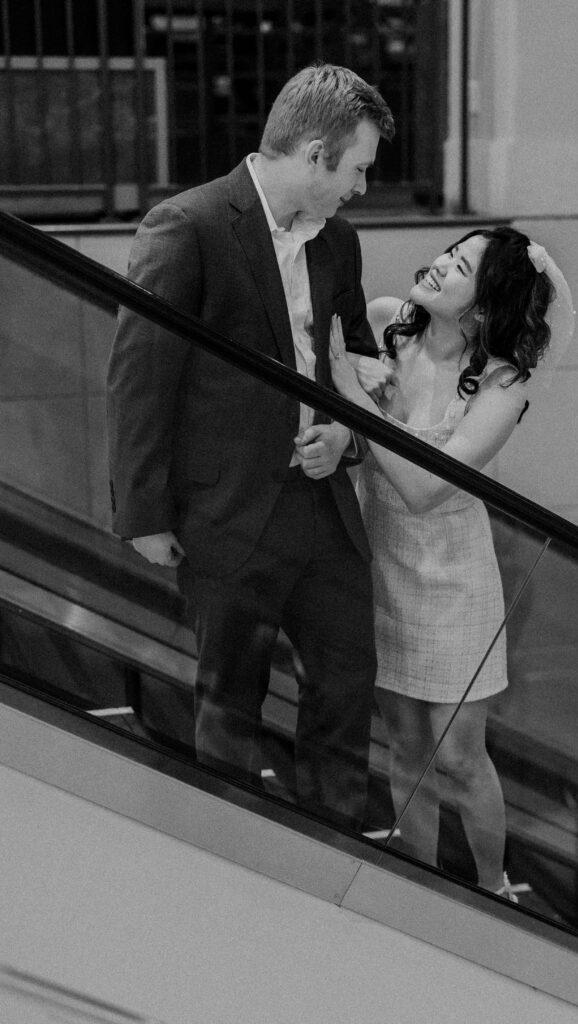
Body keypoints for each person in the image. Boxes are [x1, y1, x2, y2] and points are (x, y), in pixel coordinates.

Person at [107, 64, 395, 831]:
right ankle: (232, 861)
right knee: (228, 705)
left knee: (344, 690)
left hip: (325, 515)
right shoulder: (190, 225)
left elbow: (357, 363)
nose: (361, 186)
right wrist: (144, 512)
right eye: (358, 167)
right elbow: (141, 376)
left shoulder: (340, 240)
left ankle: (335, 858)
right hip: (228, 514)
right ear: (312, 152)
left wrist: (347, 435)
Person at [329, 226, 574, 894]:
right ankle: (421, 883)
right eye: (446, 253)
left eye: (459, 266)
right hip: (376, 559)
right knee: (405, 746)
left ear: (485, 306)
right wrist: (353, 385)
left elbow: (425, 490)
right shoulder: (383, 322)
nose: (437, 266)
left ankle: (493, 889)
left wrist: (350, 389)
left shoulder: (502, 384)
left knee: (461, 755)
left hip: (453, 579)